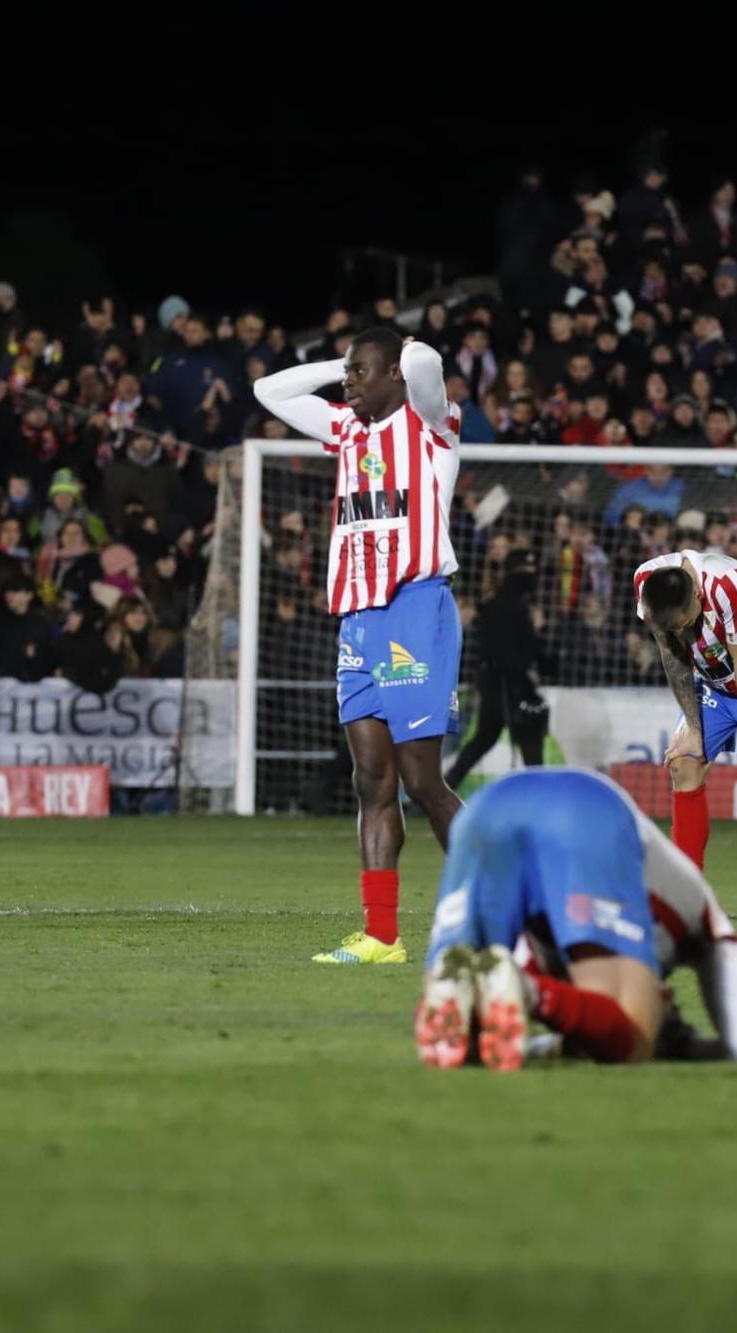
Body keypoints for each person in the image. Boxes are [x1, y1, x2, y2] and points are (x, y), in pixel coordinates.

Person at [252, 328, 463, 965]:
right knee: (371, 781)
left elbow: (427, 364)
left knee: (424, 780)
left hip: (416, 609)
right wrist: (343, 364)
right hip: (358, 620)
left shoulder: (433, 428)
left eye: (361, 372)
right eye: (347, 374)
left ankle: (501, 902)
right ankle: (381, 937)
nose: (348, 383)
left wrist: (404, 347)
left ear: (395, 375)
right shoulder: (345, 431)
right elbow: (269, 389)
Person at [414, 768, 737, 1070]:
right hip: (583, 809)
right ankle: (528, 993)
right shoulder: (701, 926)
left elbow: (558, 1025)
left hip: (485, 808)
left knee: (468, 1003)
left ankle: (451, 974)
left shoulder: (540, 955)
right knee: (634, 1035)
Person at [633, 547, 737, 921]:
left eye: (685, 621)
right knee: (683, 763)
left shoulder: (729, 584)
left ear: (696, 593)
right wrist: (693, 729)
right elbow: (672, 655)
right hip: (714, 679)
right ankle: (687, 893)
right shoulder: (647, 585)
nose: (681, 630)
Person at [445, 547, 551, 787]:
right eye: (526, 569)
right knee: (525, 733)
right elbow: (506, 649)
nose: (531, 574)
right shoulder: (503, 603)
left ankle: (449, 783)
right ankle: (540, 791)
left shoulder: (514, 601)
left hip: (505, 679)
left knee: (487, 737)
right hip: (502, 681)